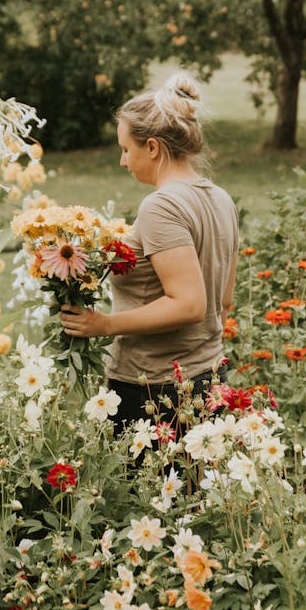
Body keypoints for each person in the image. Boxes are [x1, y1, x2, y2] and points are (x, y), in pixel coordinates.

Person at [60, 73, 239, 431]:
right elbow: (225, 300)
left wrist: (105, 325)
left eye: (127, 149)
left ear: (153, 148)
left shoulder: (161, 206)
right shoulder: (220, 198)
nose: (123, 162)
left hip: (155, 390)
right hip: (208, 380)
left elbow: (189, 304)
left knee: (147, 488)